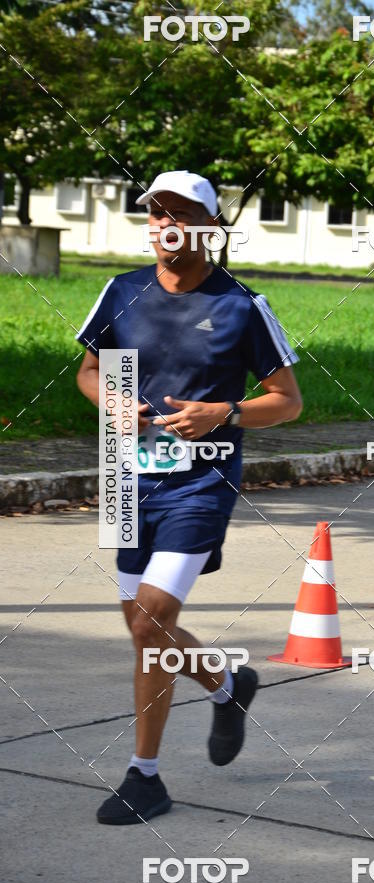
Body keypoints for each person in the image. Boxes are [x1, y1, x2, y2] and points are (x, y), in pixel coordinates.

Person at [75, 170, 302, 824]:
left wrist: (225, 413)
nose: (166, 225)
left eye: (180, 214)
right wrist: (111, 403)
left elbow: (288, 400)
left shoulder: (242, 306)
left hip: (201, 482)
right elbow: (90, 370)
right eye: (157, 213)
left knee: (150, 621)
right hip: (128, 477)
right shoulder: (122, 291)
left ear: (210, 227)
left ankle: (145, 778)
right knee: (143, 627)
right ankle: (227, 686)